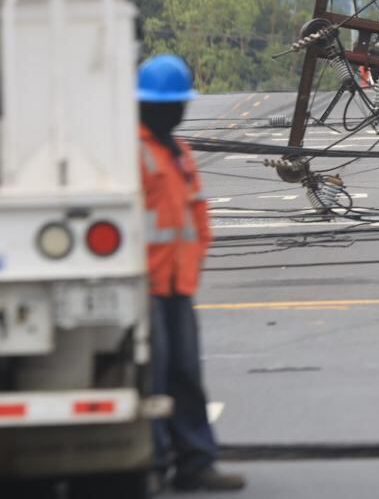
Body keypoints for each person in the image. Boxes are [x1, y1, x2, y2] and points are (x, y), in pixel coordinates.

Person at [137, 55, 245, 492]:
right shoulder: (132, 151)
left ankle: (195, 462)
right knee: (155, 378)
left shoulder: (177, 152)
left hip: (178, 283)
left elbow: (196, 211)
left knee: (185, 374)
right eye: (166, 104)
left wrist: (195, 257)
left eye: (177, 103)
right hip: (144, 285)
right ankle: (154, 460)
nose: (173, 111)